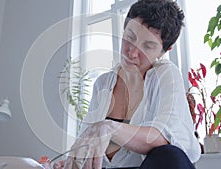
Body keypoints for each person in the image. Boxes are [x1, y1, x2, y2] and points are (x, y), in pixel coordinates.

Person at [62, 0, 201, 168]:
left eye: (148, 46)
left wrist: (110, 128)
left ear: (164, 51)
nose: (132, 52)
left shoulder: (166, 75)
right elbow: (88, 144)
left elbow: (163, 137)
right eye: (130, 37)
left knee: (168, 154)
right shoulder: (103, 84)